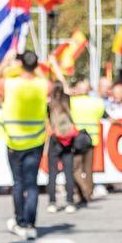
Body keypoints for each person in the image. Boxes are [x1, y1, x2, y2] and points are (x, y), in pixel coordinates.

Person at [1, 50, 49, 239]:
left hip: (14, 140)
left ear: (21, 64)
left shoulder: (11, 84)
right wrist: (37, 68)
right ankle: (30, 223)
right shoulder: (43, 85)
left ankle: (20, 221)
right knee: (32, 184)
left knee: (19, 182)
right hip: (36, 140)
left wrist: (6, 63)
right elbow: (50, 83)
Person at [44, 81, 80, 213]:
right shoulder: (67, 100)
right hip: (68, 139)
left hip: (55, 138)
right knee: (68, 172)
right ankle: (70, 201)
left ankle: (52, 202)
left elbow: (48, 120)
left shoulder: (49, 104)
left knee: (52, 173)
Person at [69, 78, 104, 204]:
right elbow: (101, 114)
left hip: (76, 138)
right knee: (88, 169)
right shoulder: (97, 102)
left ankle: (83, 190)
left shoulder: (72, 102)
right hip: (92, 138)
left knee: (75, 168)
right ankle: (88, 193)